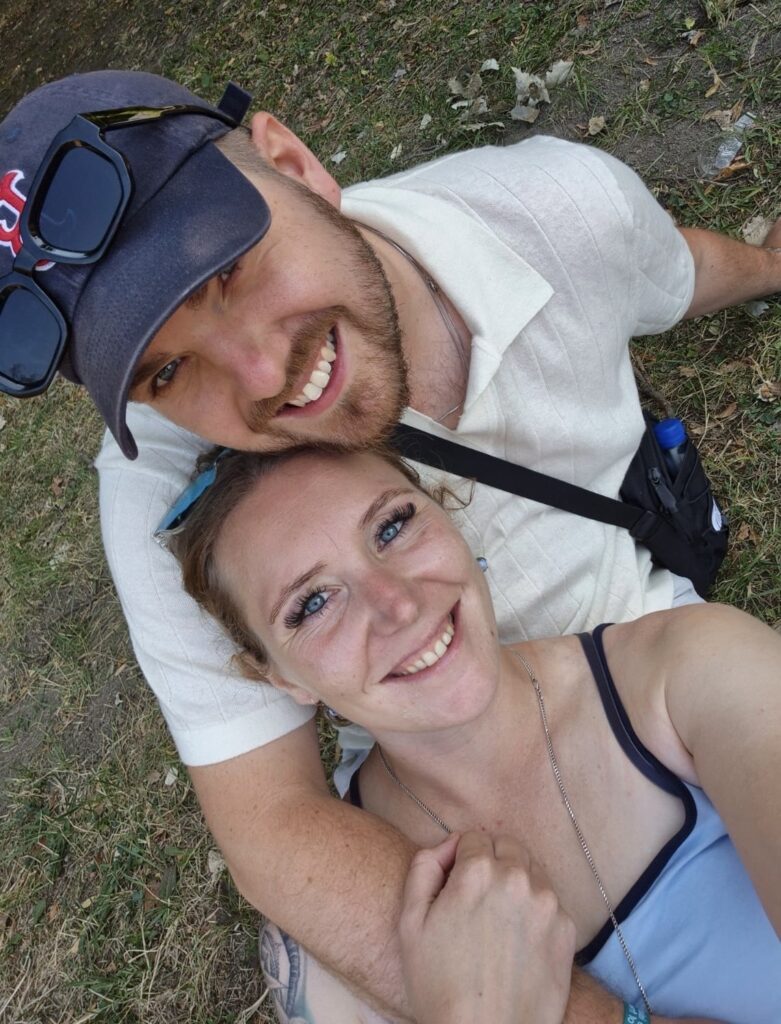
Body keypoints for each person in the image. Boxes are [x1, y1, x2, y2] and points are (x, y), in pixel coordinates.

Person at [2, 67, 780, 1019]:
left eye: (231, 267)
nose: (259, 375)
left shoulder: (551, 209)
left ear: (294, 163)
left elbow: (672, 268)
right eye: (168, 369)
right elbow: (274, 823)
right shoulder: (155, 497)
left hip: (646, 702)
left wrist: (766, 266)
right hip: (430, 790)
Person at [168, 443, 780, 1024]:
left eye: (391, 527)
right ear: (278, 678)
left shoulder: (690, 672)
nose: (398, 605)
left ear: (450, 514)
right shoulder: (330, 953)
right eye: (313, 602)